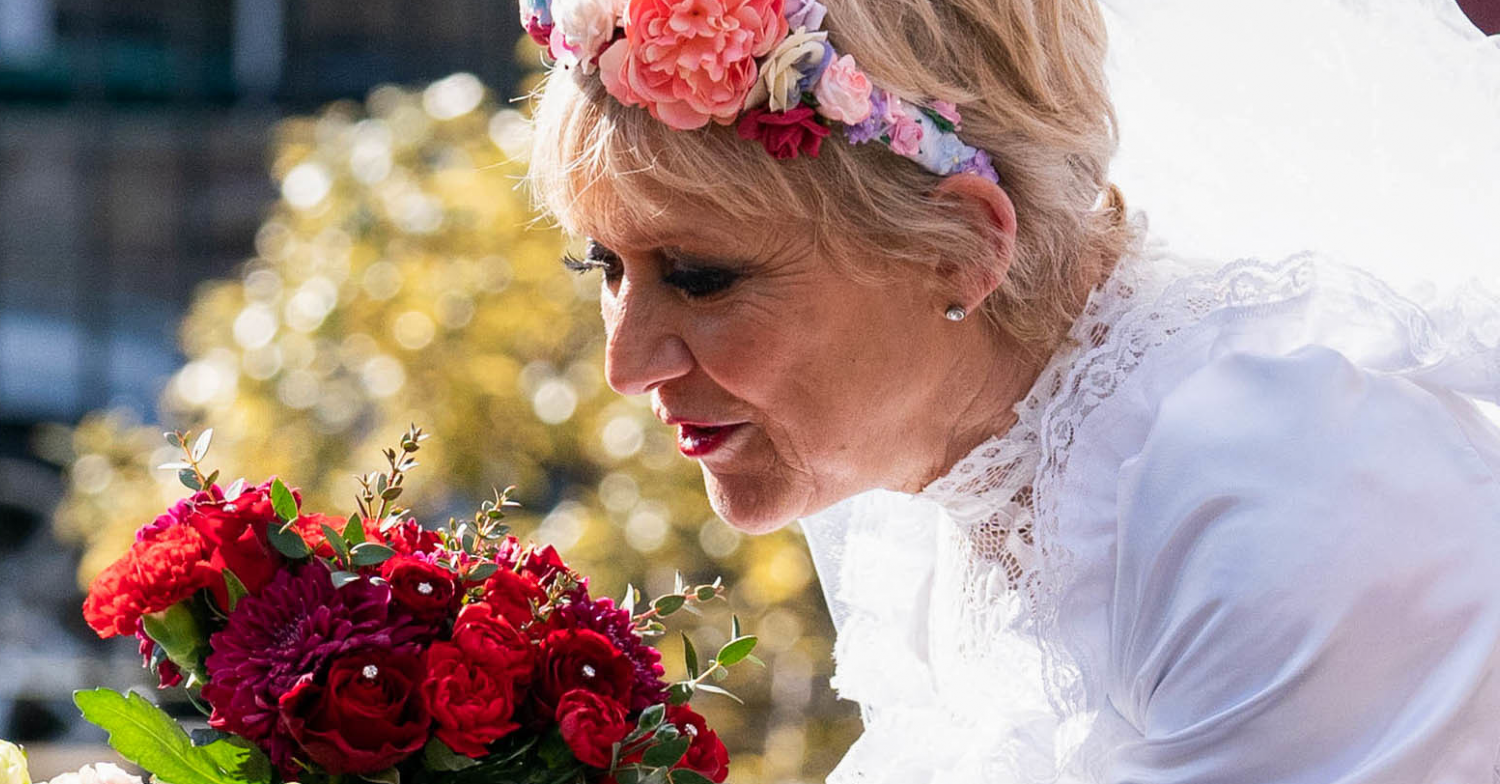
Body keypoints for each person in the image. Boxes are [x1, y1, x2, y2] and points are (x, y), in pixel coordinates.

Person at [523, 0, 1500, 778]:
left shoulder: (1272, 510)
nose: (627, 362)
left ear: (963, 248)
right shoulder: (968, 472)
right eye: (602, 266)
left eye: (700, 276)